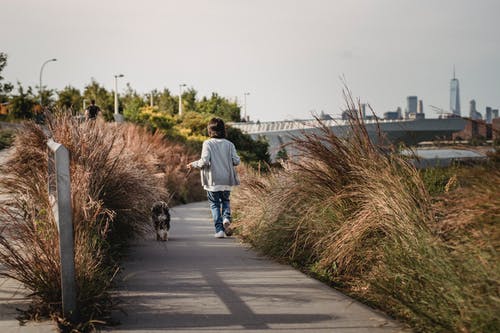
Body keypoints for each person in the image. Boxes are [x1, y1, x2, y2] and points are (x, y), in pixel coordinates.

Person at [187, 118, 240, 238]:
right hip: (226, 180)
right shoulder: (230, 144)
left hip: (213, 181)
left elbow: (204, 161)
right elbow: (236, 161)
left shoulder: (208, 143)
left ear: (210, 130)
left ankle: (219, 230)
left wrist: (193, 164)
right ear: (223, 130)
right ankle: (226, 218)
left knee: (215, 205)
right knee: (225, 201)